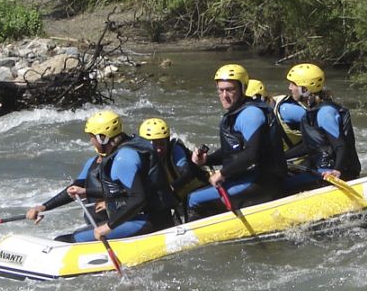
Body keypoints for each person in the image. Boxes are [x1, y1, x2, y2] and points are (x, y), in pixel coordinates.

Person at [47, 110, 175, 242]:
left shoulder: (124, 158)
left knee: (62, 240)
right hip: (149, 219)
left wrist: (108, 227)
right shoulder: (130, 148)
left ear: (102, 138)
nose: (91, 141)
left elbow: (138, 199)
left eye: (92, 136)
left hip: (149, 222)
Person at [187, 63, 287, 220]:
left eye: (230, 90)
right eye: (221, 90)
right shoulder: (236, 113)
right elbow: (234, 151)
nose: (225, 95)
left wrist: (222, 173)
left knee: (194, 199)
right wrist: (207, 159)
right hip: (250, 177)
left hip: (264, 181)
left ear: (242, 89)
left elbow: (252, 154)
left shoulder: (251, 114)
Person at [284, 63, 361, 182]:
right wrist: (281, 157)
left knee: (285, 184)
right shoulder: (311, 111)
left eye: (293, 84)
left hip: (336, 172)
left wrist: (337, 170)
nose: (290, 87)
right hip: (321, 167)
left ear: (304, 89)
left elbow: (340, 145)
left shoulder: (325, 113)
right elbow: (311, 146)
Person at [138, 117, 209, 212]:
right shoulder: (140, 158)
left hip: (196, 190)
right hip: (176, 199)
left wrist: (170, 188)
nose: (159, 149)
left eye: (162, 144)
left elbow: (187, 173)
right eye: (154, 145)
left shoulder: (176, 151)